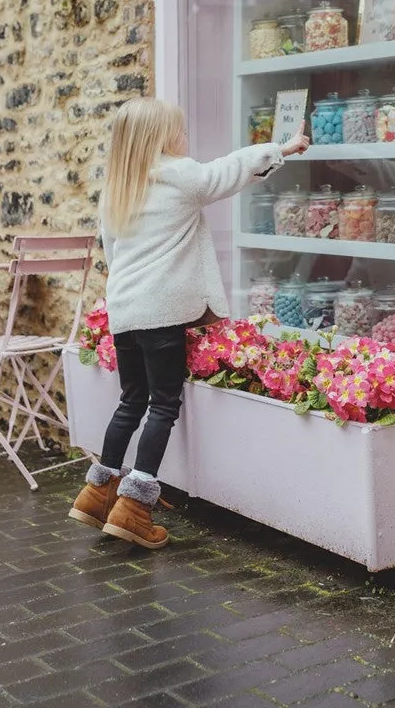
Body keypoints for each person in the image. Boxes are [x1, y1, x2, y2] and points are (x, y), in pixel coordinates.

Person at [69, 96, 310, 547]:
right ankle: (136, 507)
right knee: (163, 404)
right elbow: (228, 170)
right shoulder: (178, 176)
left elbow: (112, 253)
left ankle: (97, 492)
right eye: (179, 131)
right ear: (160, 138)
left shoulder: (117, 188)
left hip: (125, 310)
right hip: (161, 314)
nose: (185, 137)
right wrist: (284, 147)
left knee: (130, 401)